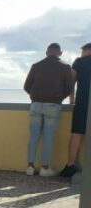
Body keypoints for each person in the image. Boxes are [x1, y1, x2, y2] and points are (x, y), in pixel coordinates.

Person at [23, 43, 73, 176]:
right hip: (53, 105)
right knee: (48, 137)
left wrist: (36, 96)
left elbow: (27, 86)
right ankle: (45, 168)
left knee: (33, 137)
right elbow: (69, 88)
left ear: (46, 53)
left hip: (35, 104)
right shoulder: (65, 67)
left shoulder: (36, 66)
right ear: (60, 53)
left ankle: (30, 167)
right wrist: (58, 98)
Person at [60, 43, 91, 178]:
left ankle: (70, 165)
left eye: (83, 49)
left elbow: (71, 82)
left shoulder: (79, 62)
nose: (81, 52)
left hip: (82, 103)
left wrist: (71, 100)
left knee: (76, 134)